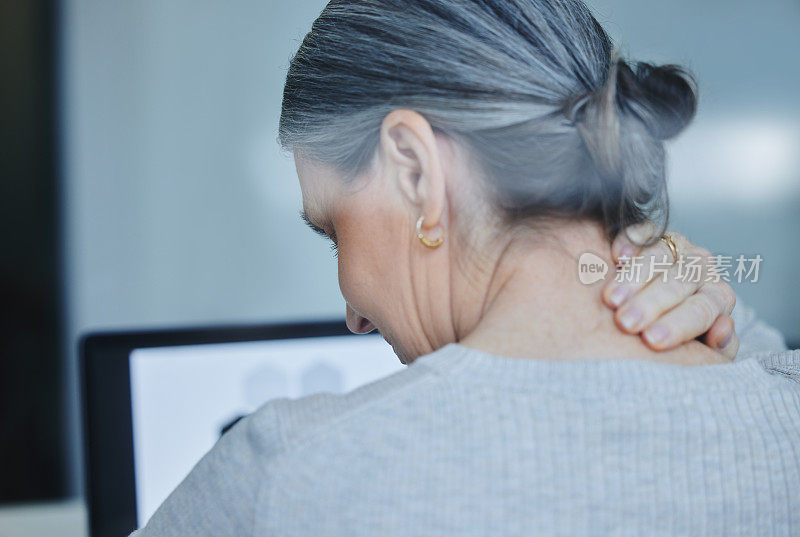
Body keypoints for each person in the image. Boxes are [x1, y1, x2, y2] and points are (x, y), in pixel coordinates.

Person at [132, 0, 798, 535]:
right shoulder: (778, 400)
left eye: (337, 231)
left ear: (416, 171)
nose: (354, 314)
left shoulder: (292, 476)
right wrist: (717, 305)